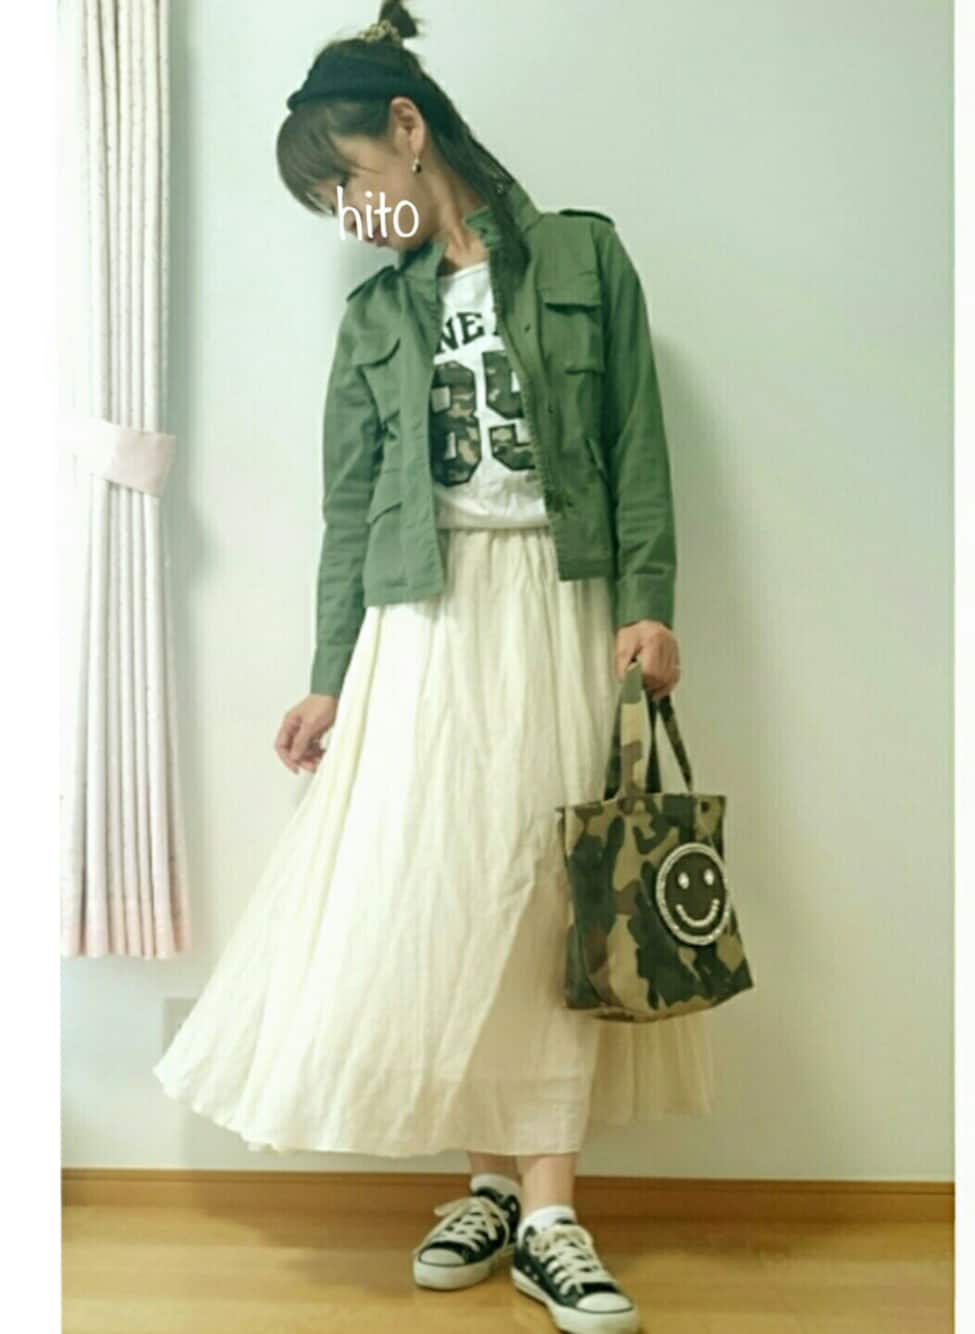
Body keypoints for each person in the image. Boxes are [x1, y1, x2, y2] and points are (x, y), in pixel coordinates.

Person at [153, 5, 714, 1330]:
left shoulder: (584, 257)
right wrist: (327, 675)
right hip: (425, 620)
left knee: (556, 896)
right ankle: (488, 1183)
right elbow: (351, 511)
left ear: (408, 130)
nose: (348, 217)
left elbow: (635, 442)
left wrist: (649, 604)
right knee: (450, 894)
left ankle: (554, 1210)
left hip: (560, 605)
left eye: (347, 183)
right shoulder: (375, 318)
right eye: (326, 206)